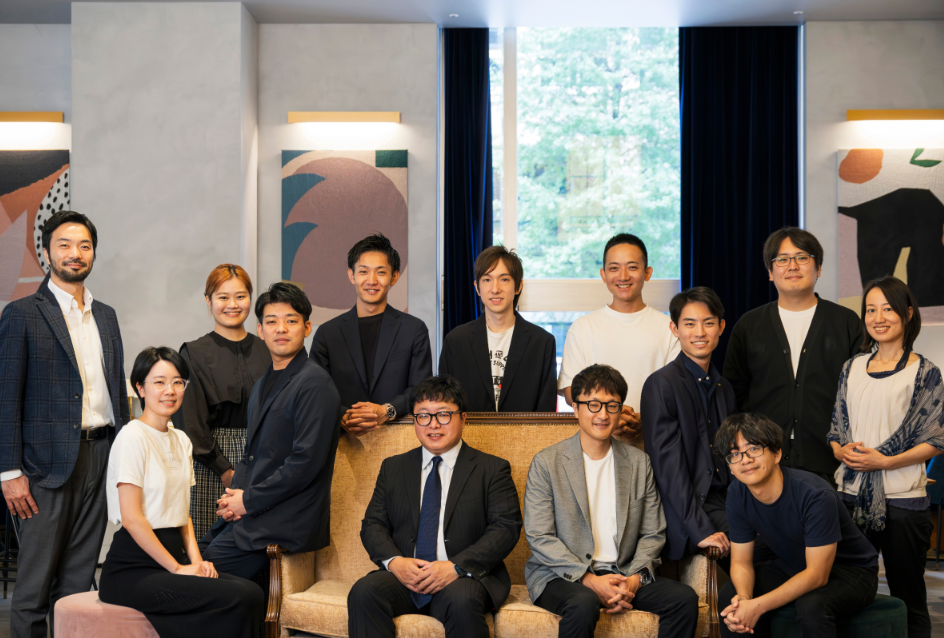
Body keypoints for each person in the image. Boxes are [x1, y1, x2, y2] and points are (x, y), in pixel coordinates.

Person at [0, 210, 130, 638]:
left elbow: (116, 392)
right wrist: (9, 471)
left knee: (77, 585)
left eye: (84, 245)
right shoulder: (22, 314)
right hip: (44, 467)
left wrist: (125, 458)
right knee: (34, 589)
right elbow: (5, 398)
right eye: (65, 245)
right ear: (46, 252)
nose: (75, 253)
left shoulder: (106, 316)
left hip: (101, 457)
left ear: (93, 253)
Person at [524, 364, 699, 638]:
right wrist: (590, 581)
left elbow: (653, 533)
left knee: (684, 599)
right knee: (583, 603)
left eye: (612, 405)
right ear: (576, 408)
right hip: (561, 575)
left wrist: (633, 581)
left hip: (623, 573)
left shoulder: (639, 463)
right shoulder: (547, 463)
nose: (603, 414)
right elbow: (539, 535)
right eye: (593, 405)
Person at [99, 347, 263, 637]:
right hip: (133, 568)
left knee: (252, 592)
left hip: (172, 558)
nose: (170, 390)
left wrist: (197, 562)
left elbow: (182, 513)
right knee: (236, 597)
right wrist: (176, 568)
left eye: (178, 382)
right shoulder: (132, 437)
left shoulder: (181, 440)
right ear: (140, 388)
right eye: (159, 382)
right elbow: (132, 518)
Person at [349, 375, 522, 638]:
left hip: (463, 577)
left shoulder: (492, 469)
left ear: (463, 418)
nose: (433, 424)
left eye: (443, 414)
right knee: (364, 591)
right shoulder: (393, 467)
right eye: (423, 416)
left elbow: (505, 528)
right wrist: (395, 563)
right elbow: (373, 524)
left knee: (462, 600)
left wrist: (456, 567)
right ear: (414, 420)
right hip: (407, 577)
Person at [201, 282, 342, 579]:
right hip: (255, 511)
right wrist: (234, 499)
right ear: (260, 330)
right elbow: (251, 456)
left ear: (307, 328)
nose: (281, 329)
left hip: (287, 519)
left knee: (205, 567)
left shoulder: (315, 383)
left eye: (291, 321)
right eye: (271, 321)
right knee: (190, 553)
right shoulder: (261, 385)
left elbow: (304, 464)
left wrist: (247, 501)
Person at [828, 276, 944, 638]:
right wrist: (840, 450)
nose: (878, 318)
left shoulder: (925, 372)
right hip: (849, 497)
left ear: (907, 314)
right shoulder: (852, 367)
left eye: (888, 309)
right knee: (846, 591)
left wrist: (885, 462)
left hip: (903, 501)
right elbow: (836, 428)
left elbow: (936, 439)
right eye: (870, 310)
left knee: (909, 597)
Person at [717, 413, 879, 638]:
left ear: (776, 454)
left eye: (754, 449)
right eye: (735, 454)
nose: (745, 459)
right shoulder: (737, 493)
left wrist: (758, 606)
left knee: (812, 606)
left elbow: (817, 575)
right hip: (795, 564)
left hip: (851, 571)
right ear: (730, 466)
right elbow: (741, 562)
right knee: (731, 596)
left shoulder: (815, 495)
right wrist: (745, 599)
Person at [724, 227, 863, 486]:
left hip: (830, 461)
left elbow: (861, 392)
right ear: (770, 272)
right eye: (782, 259)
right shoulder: (749, 325)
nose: (792, 266)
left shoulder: (846, 322)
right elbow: (734, 392)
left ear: (818, 268)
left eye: (802, 257)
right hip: (763, 462)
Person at [172, 264, 271, 539]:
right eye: (223, 297)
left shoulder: (268, 349)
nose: (232, 305)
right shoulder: (193, 353)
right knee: (210, 542)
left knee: (261, 544)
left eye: (240, 296)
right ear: (208, 301)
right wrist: (225, 470)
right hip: (211, 463)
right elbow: (189, 423)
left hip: (265, 459)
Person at [641, 287, 735, 566]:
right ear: (675, 329)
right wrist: (700, 530)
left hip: (728, 500)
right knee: (761, 544)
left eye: (708, 323)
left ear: (721, 327)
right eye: (689, 324)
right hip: (691, 509)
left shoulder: (724, 387)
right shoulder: (661, 384)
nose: (700, 333)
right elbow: (668, 470)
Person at [557, 234, 680, 438]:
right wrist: (612, 414)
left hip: (655, 439)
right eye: (614, 268)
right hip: (597, 440)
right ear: (603, 274)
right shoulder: (582, 327)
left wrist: (645, 417)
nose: (623, 276)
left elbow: (677, 391)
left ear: (647, 273)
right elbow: (571, 391)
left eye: (632, 267)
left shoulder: (670, 328)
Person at [312, 233, 432, 436]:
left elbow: (421, 388)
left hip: (398, 438)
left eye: (381, 272)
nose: (372, 280)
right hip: (342, 441)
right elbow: (316, 389)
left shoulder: (414, 330)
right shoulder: (327, 333)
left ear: (394, 276)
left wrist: (387, 410)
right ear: (352, 275)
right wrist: (341, 416)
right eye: (363, 271)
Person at [439, 245, 557, 412]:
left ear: (518, 286)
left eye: (504, 279)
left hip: (525, 430)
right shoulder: (456, 341)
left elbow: (546, 408)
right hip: (470, 429)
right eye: (487, 280)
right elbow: (446, 404)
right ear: (477, 287)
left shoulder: (542, 342)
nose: (495, 289)